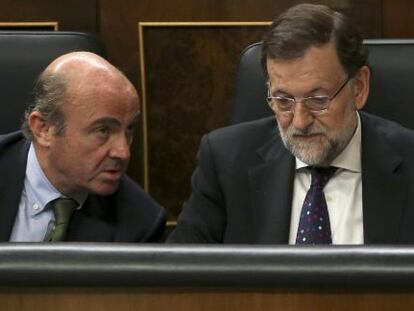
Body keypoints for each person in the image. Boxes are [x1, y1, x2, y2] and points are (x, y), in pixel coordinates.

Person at [167, 3, 414, 244]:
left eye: (318, 100)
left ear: (359, 88)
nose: (300, 121)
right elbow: (177, 277)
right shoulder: (225, 163)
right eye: (283, 100)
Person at [0, 51, 166, 242]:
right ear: (44, 129)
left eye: (128, 130)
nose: (123, 152)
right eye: (103, 130)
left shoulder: (140, 222)